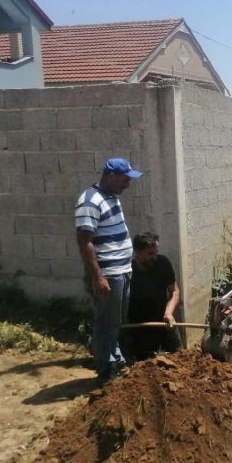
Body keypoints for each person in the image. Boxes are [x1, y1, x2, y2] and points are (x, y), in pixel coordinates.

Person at [75, 157, 143, 385]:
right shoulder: (90, 201)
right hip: (109, 274)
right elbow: (84, 241)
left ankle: (116, 359)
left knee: (116, 321)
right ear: (111, 176)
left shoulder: (111, 197)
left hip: (122, 270)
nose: (128, 184)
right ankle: (106, 371)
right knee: (106, 323)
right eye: (125, 180)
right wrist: (98, 276)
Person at [122, 232, 183, 361]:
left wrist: (169, 312)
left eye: (156, 252)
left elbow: (175, 291)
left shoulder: (163, 263)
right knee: (142, 362)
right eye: (150, 254)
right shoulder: (128, 271)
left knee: (180, 356)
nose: (155, 257)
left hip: (163, 320)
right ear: (137, 252)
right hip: (140, 326)